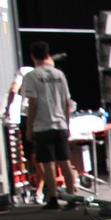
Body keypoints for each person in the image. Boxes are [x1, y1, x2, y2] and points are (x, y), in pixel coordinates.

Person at [20, 41, 76, 208]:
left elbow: (33, 103)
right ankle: (72, 196)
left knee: (48, 163)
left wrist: (29, 128)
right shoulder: (59, 74)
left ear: (32, 56)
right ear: (47, 54)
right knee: (65, 161)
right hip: (60, 123)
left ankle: (52, 198)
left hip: (43, 125)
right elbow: (67, 102)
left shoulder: (32, 76)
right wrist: (67, 124)